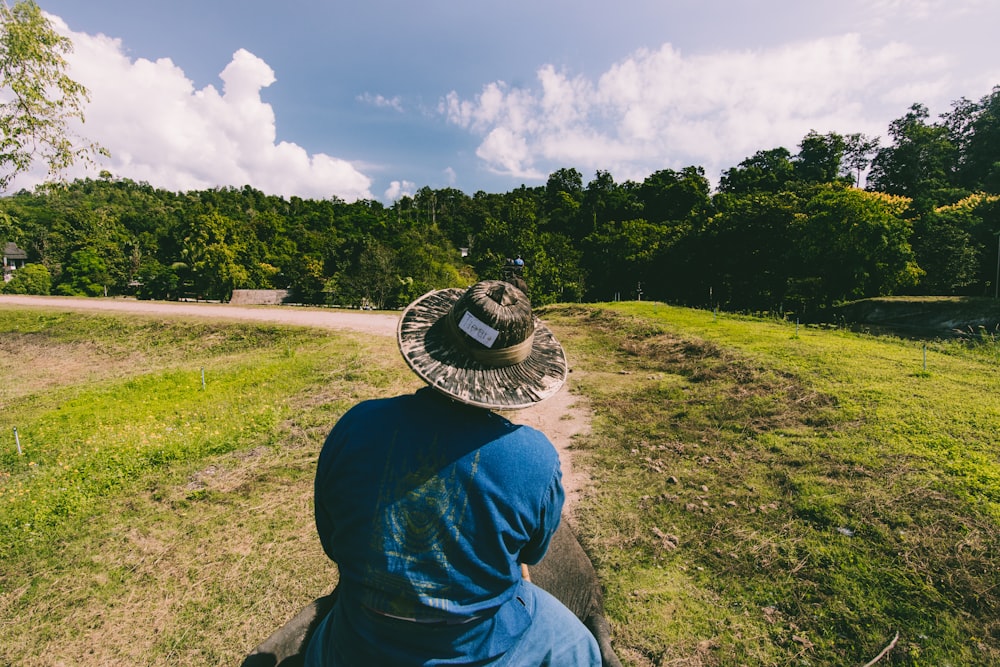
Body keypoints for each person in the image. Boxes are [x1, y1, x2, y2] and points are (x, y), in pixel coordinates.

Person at [305, 280, 601, 666]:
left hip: (361, 638)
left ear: (436, 345)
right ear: (515, 374)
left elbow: (332, 541)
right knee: (584, 648)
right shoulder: (535, 458)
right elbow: (533, 552)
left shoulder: (355, 424)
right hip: (479, 644)